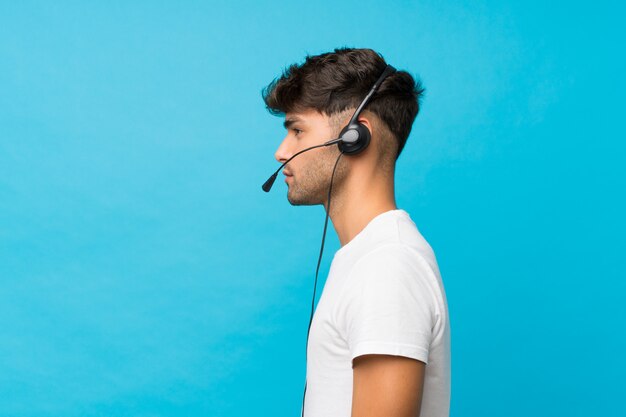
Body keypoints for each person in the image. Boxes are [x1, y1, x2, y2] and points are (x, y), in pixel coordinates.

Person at [262, 47, 451, 417]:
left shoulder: (387, 267)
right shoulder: (367, 259)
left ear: (355, 137)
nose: (281, 152)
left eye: (297, 130)